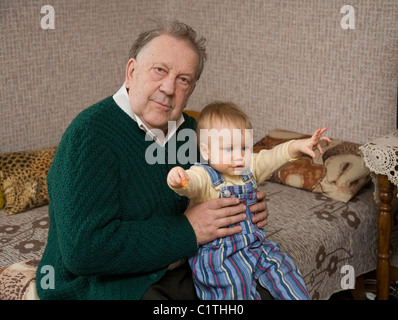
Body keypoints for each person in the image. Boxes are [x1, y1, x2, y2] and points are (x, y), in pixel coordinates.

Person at [35, 21, 269, 300]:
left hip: (183, 262)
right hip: (103, 283)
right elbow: (84, 250)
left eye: (183, 79)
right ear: (131, 72)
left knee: (267, 289)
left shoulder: (192, 132)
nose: (169, 88)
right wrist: (188, 229)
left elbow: (214, 184)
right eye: (160, 70)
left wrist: (243, 204)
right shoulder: (89, 134)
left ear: (191, 89)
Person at [167, 101, 331, 300]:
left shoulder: (249, 168)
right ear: (207, 151)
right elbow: (191, 183)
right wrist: (178, 179)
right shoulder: (205, 175)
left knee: (284, 268)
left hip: (255, 245)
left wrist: (298, 145)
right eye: (229, 149)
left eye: (244, 147)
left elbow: (274, 156)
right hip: (220, 255)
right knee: (233, 287)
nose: (239, 157)